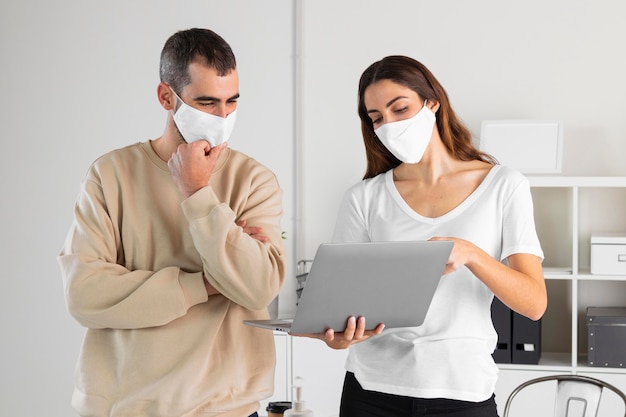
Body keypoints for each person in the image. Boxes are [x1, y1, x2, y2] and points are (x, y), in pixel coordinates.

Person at [58, 28, 287, 417]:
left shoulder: (254, 180)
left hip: (227, 408)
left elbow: (257, 287)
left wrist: (197, 193)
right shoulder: (109, 174)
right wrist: (205, 282)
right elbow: (83, 295)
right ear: (167, 97)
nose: (223, 116)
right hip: (126, 406)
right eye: (207, 102)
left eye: (232, 101)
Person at [304, 56, 547, 416]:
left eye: (399, 109)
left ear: (432, 102)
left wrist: (471, 254)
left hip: (462, 391)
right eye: (376, 119)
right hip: (371, 391)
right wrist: (340, 336)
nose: (388, 125)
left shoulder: (502, 186)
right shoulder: (364, 197)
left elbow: (534, 303)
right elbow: (340, 313)